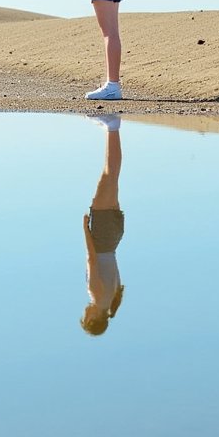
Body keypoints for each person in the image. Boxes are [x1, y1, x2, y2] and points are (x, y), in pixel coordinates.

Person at [81, 115, 125, 336]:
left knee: (112, 177)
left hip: (113, 237)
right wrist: (85, 230)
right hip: (103, 237)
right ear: (93, 319)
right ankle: (112, 127)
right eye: (86, 318)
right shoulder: (98, 298)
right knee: (109, 175)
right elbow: (92, 258)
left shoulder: (112, 301)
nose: (84, 313)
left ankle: (112, 129)